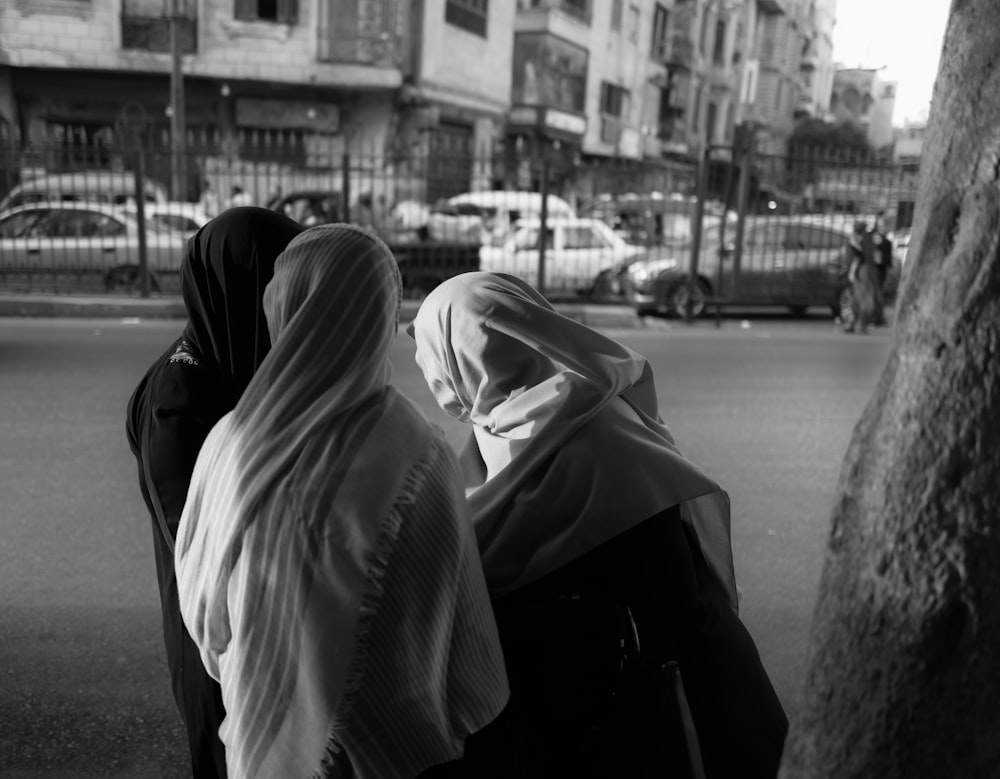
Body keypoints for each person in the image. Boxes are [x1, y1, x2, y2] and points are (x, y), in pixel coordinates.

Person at [409, 272, 788, 779]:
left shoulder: (602, 439)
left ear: (459, 356)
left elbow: (670, 608)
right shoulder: (498, 426)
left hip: (653, 720)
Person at [174, 226, 509, 779]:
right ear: (380, 313)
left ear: (283, 310)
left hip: (258, 738)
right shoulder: (415, 449)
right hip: (394, 751)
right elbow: (459, 630)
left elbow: (205, 614)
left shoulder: (229, 439)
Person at [125, 207, 303, 778]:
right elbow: (197, 547)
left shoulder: (241, 360)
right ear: (239, 285)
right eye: (275, 279)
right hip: (212, 629)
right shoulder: (180, 400)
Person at [844, 220, 882, 334]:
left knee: (858, 298)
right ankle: (858, 323)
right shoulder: (866, 239)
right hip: (863, 270)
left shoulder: (855, 239)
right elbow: (873, 257)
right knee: (862, 298)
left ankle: (856, 323)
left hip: (860, 270)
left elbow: (849, 258)